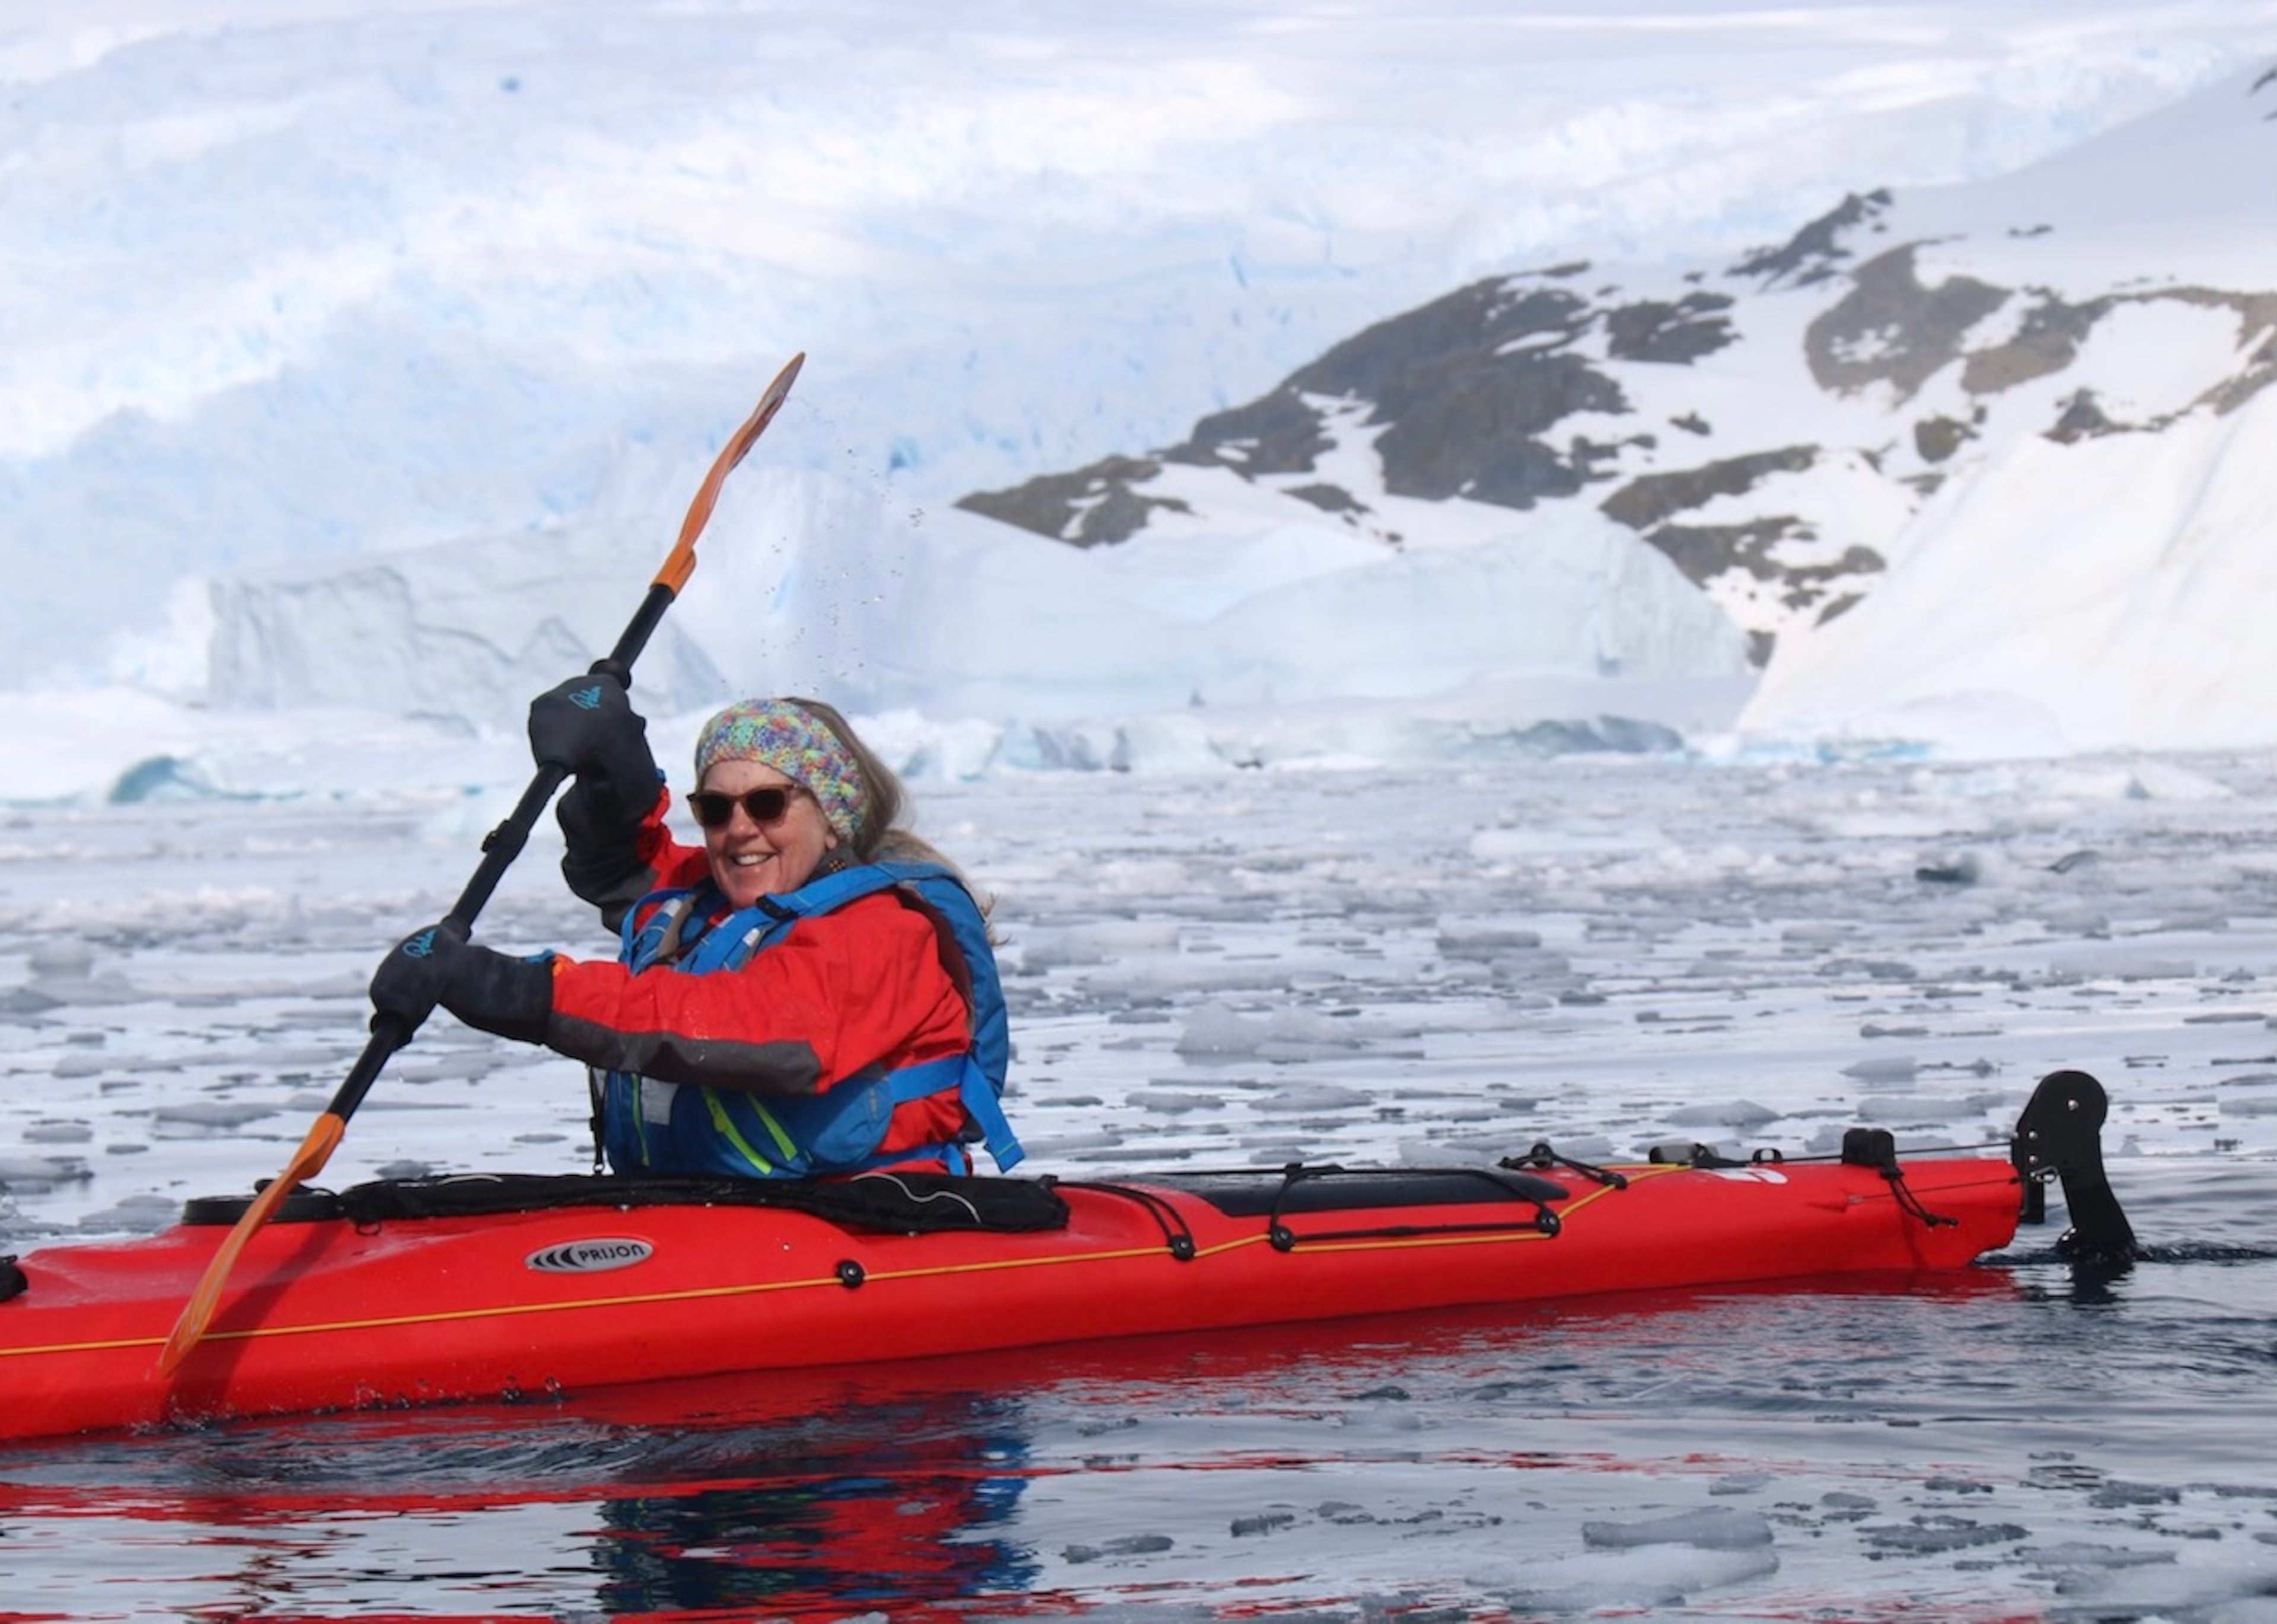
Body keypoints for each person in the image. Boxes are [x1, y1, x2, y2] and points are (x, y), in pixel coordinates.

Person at [368, 675, 1022, 1180]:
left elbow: (744, 1022)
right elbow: (620, 865)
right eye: (715, 808)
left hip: (864, 1212)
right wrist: (611, 772)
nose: (739, 829)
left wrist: (527, 992)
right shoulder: (711, 905)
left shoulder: (881, 930)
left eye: (767, 804)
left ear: (833, 821)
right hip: (714, 1208)